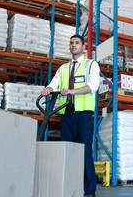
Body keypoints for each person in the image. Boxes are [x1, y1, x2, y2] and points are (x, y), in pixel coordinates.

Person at [41, 34, 99, 197]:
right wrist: (48, 90)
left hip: (83, 115)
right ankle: (68, 186)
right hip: (66, 114)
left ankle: (89, 191)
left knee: (85, 152)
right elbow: (54, 84)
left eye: (77, 43)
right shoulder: (64, 68)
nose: (74, 45)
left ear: (83, 47)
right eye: (71, 43)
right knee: (67, 151)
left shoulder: (91, 65)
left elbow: (93, 86)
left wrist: (73, 91)